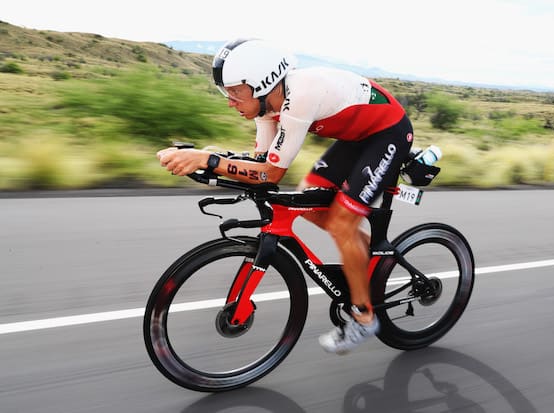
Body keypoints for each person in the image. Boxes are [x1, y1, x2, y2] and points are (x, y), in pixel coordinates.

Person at [157, 38, 413, 354]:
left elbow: (272, 174)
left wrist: (210, 161)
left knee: (342, 224)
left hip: (388, 134)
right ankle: (359, 261)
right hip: (356, 138)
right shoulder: (266, 106)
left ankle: (364, 318)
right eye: (226, 93)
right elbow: (260, 162)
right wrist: (210, 158)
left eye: (235, 92)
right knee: (308, 204)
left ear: (263, 83)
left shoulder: (300, 96)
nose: (229, 102)